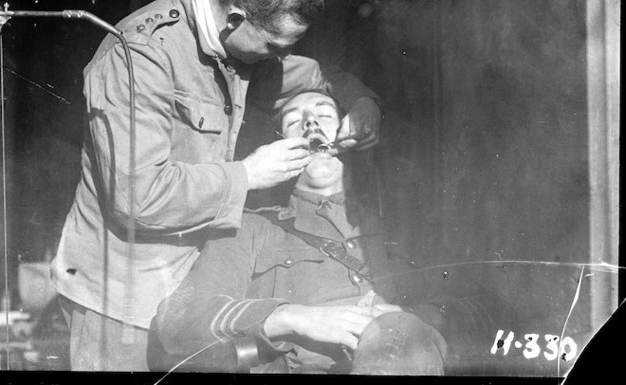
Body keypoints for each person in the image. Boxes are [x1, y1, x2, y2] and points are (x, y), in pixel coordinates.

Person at [49, 0, 383, 371]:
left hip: (195, 291)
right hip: (124, 301)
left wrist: (363, 102)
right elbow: (137, 197)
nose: (280, 59)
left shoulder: (245, 43)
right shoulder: (138, 56)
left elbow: (319, 74)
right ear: (235, 20)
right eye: (274, 45)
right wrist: (248, 175)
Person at [147, 89, 447, 374]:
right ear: (278, 144)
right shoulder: (252, 226)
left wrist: (417, 318)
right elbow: (176, 326)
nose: (310, 122)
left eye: (325, 114)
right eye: (293, 120)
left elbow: (482, 304)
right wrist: (294, 317)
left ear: (351, 133)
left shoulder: (401, 224)